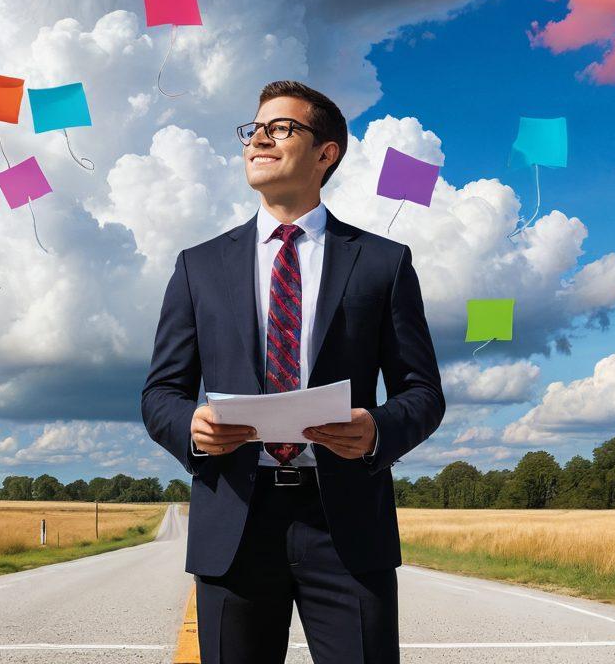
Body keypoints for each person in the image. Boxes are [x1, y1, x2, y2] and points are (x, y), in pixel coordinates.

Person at [141, 79, 445, 663]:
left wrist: (377, 431)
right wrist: (191, 429)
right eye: (253, 129)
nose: (258, 138)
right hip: (234, 518)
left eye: (281, 128)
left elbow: (422, 392)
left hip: (347, 525)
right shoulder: (197, 266)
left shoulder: (384, 262)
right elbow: (160, 392)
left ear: (326, 152)